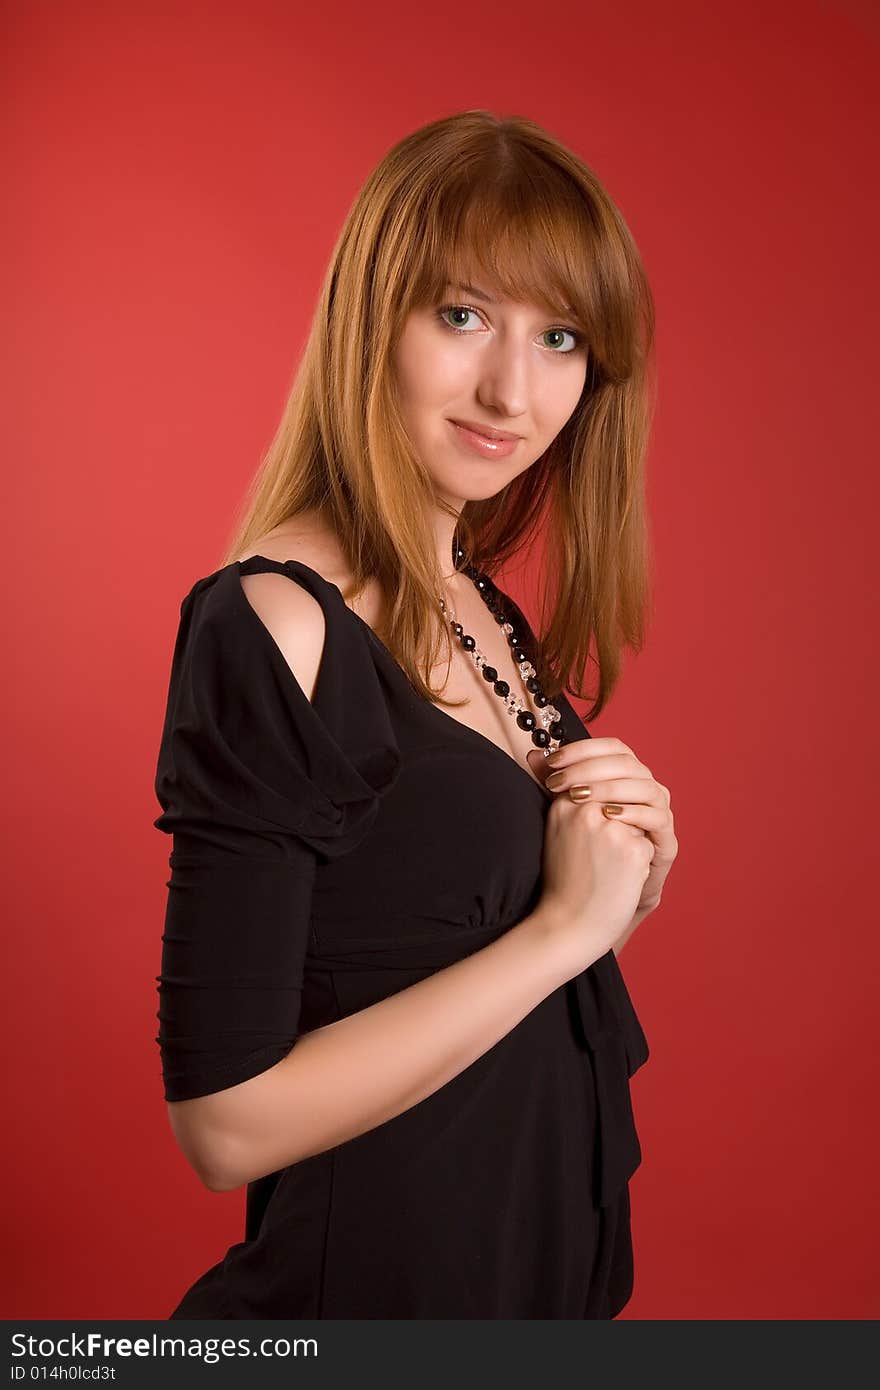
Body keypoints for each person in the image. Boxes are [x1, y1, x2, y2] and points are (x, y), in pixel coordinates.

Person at [152, 109, 679, 1320]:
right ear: (369, 316)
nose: (512, 387)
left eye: (559, 337)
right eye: (461, 315)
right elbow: (225, 1123)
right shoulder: (276, 625)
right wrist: (559, 932)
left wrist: (618, 887)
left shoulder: (485, 613)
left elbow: (439, 972)